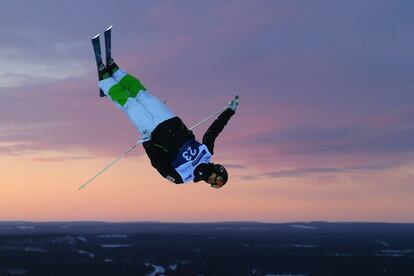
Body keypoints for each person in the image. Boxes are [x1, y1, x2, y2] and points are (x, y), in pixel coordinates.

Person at [97, 59, 239, 188]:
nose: (213, 183)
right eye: (218, 181)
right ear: (219, 170)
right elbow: (214, 130)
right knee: (142, 94)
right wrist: (229, 111)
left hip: (153, 131)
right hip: (169, 118)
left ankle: (106, 79)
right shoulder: (207, 152)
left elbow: (159, 164)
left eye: (216, 185)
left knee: (130, 103)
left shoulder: (182, 177)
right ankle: (117, 72)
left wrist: (148, 144)